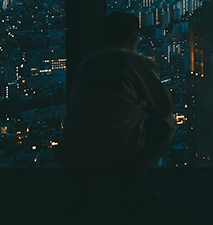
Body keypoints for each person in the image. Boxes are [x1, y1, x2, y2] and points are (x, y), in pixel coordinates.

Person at [59, 11, 177, 201]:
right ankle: (135, 181)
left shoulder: (84, 65)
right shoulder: (136, 63)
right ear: (134, 37)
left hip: (72, 156)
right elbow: (165, 108)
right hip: (118, 153)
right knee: (170, 122)